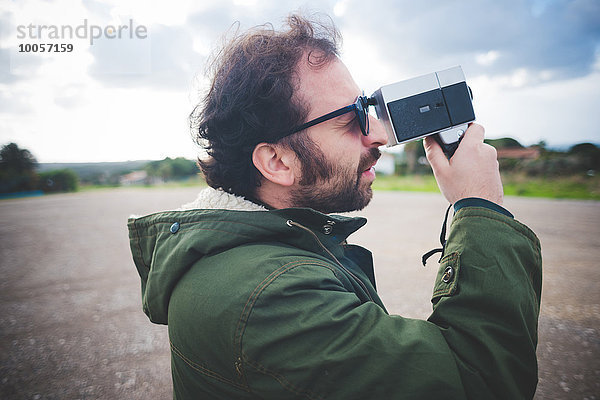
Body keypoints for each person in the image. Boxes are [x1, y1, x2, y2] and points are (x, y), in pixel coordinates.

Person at [127, 13, 542, 399]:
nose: (379, 133)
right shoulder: (271, 300)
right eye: (351, 118)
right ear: (277, 162)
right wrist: (480, 207)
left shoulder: (251, 254)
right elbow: (480, 380)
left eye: (368, 107)